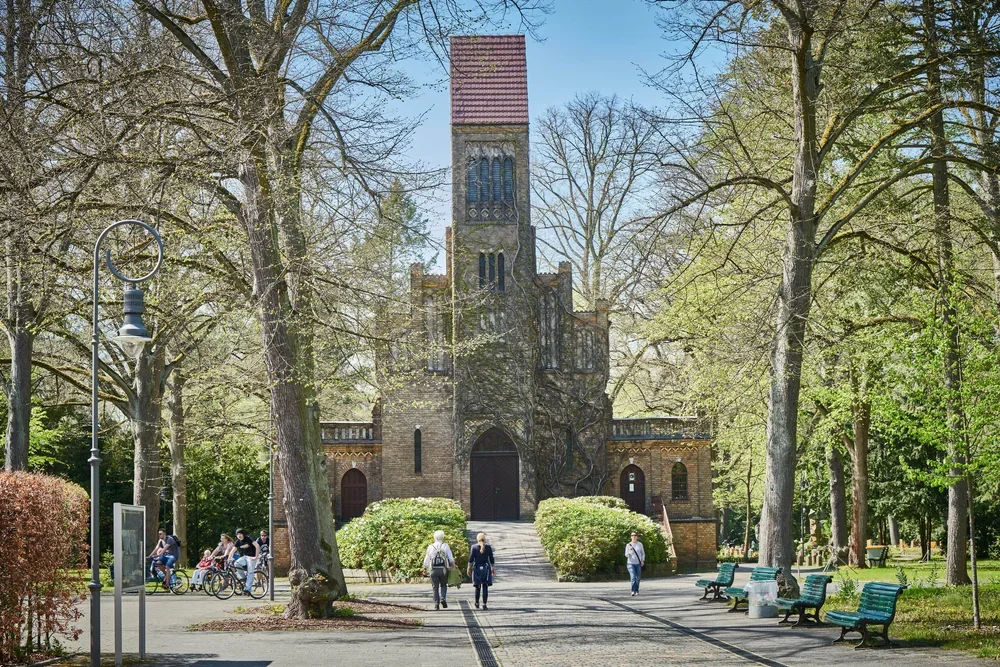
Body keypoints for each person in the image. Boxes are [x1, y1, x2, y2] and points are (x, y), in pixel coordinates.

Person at [422, 529, 455, 610]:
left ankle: (436, 604)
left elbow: (426, 559)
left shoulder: (430, 547)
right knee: (444, 585)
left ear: (434, 537)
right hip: (443, 569)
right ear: (442, 537)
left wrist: (425, 568)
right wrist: (454, 567)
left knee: (435, 587)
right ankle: (443, 598)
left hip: (433, 570)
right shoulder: (445, 546)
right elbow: (450, 558)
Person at [466, 532, 495, 610]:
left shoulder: (474, 547)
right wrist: (492, 567)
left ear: (477, 539)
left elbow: (471, 559)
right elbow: (491, 558)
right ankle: (484, 604)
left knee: (477, 586)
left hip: (477, 568)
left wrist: (469, 568)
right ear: (484, 539)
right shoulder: (488, 547)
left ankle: (477, 602)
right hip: (486, 568)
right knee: (485, 586)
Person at [233, 529, 260, 593]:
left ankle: (248, 589)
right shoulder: (238, 541)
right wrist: (228, 559)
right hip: (245, 557)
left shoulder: (248, 538)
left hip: (252, 557)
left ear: (243, 534)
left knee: (250, 572)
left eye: (240, 534)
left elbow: (257, 546)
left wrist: (256, 556)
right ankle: (245, 579)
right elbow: (232, 551)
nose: (239, 536)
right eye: (238, 534)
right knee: (236, 564)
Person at [625, 531, 645, 596]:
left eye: (635, 535)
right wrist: (630, 551)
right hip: (630, 563)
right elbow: (626, 555)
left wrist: (642, 560)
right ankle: (633, 590)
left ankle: (637, 590)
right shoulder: (628, 545)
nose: (633, 536)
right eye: (632, 535)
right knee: (633, 576)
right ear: (631, 537)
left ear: (637, 537)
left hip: (638, 563)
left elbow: (642, 553)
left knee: (638, 577)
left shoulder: (640, 544)